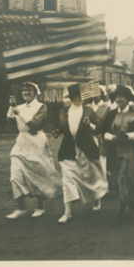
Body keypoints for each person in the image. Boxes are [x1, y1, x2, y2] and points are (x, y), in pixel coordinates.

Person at [6, 82, 63, 219]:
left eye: (29, 90)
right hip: (21, 144)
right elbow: (8, 122)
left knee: (39, 175)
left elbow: (35, 124)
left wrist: (19, 113)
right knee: (15, 176)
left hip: (37, 143)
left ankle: (40, 207)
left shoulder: (41, 106)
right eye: (24, 90)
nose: (26, 92)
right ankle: (21, 208)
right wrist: (12, 107)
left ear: (35, 92)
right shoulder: (18, 107)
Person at [55, 84, 108, 223]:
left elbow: (99, 128)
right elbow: (61, 126)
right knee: (67, 179)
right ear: (72, 97)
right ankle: (67, 212)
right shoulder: (63, 111)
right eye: (77, 96)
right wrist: (57, 131)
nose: (80, 99)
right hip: (68, 150)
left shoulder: (88, 111)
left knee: (90, 177)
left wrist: (89, 124)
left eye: (82, 96)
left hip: (87, 148)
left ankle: (96, 200)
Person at [102, 85, 134, 222]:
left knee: (130, 177)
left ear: (127, 99)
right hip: (115, 150)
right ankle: (124, 202)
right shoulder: (111, 114)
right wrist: (112, 137)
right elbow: (103, 131)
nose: (119, 99)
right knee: (117, 178)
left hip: (131, 150)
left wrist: (127, 136)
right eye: (117, 97)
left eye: (121, 97)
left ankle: (129, 201)